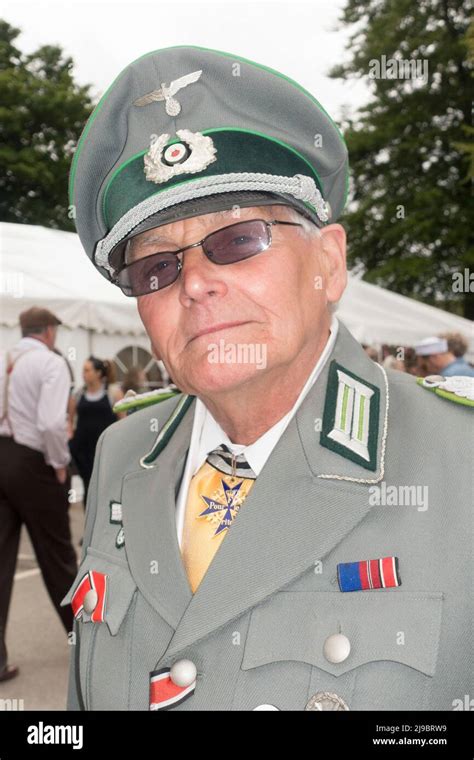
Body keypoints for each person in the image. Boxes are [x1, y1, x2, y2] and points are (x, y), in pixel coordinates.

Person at [62, 46, 472, 711]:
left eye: (238, 239)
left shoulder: (462, 464)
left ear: (329, 263)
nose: (194, 283)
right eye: (156, 267)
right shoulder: (122, 453)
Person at [0, 307, 77, 682]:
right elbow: (50, 422)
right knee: (58, 557)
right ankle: (84, 644)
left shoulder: (4, 358)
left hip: (1, 456)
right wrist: (60, 462)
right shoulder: (50, 363)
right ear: (48, 331)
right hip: (33, 462)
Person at [69, 357, 124, 508]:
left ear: (98, 373)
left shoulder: (113, 393)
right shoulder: (78, 394)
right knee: (89, 486)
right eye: (83, 370)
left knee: (106, 487)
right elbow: (70, 421)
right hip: (83, 452)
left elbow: (123, 421)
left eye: (87, 370)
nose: (83, 374)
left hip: (106, 449)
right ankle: (89, 524)